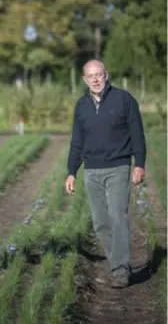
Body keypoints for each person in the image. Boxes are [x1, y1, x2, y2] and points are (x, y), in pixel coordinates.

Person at [65, 60, 146, 288]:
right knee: (101, 223)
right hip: (92, 171)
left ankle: (120, 270)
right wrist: (72, 171)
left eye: (99, 74)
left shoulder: (124, 99)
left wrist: (139, 163)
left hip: (118, 167)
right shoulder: (81, 106)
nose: (96, 79)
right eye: (91, 76)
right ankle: (119, 264)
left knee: (117, 217)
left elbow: (137, 133)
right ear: (85, 79)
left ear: (106, 75)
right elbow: (77, 142)